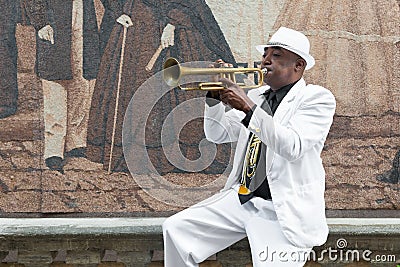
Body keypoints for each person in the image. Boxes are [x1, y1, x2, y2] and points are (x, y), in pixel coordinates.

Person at [162, 27, 336, 266]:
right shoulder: (257, 95)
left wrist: (247, 108)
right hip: (242, 199)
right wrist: (213, 100)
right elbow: (217, 134)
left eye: (276, 55)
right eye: (265, 54)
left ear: (298, 65)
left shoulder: (316, 98)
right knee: (175, 229)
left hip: (281, 209)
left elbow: (292, 147)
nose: (265, 61)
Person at [86, 0, 236, 174]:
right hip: (138, 20)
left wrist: (173, 23)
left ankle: (186, 154)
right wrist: (118, 11)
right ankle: (137, 155)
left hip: (178, 20)